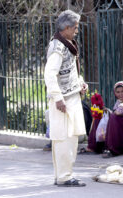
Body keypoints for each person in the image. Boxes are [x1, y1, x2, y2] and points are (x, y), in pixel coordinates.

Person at [44, 10, 88, 187]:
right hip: (64, 101)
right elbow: (49, 75)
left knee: (69, 138)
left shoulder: (67, 43)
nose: (77, 30)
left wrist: (80, 83)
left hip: (71, 96)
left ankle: (63, 175)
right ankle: (64, 177)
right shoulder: (58, 46)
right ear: (67, 28)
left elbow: (70, 70)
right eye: (75, 27)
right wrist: (58, 98)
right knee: (64, 139)